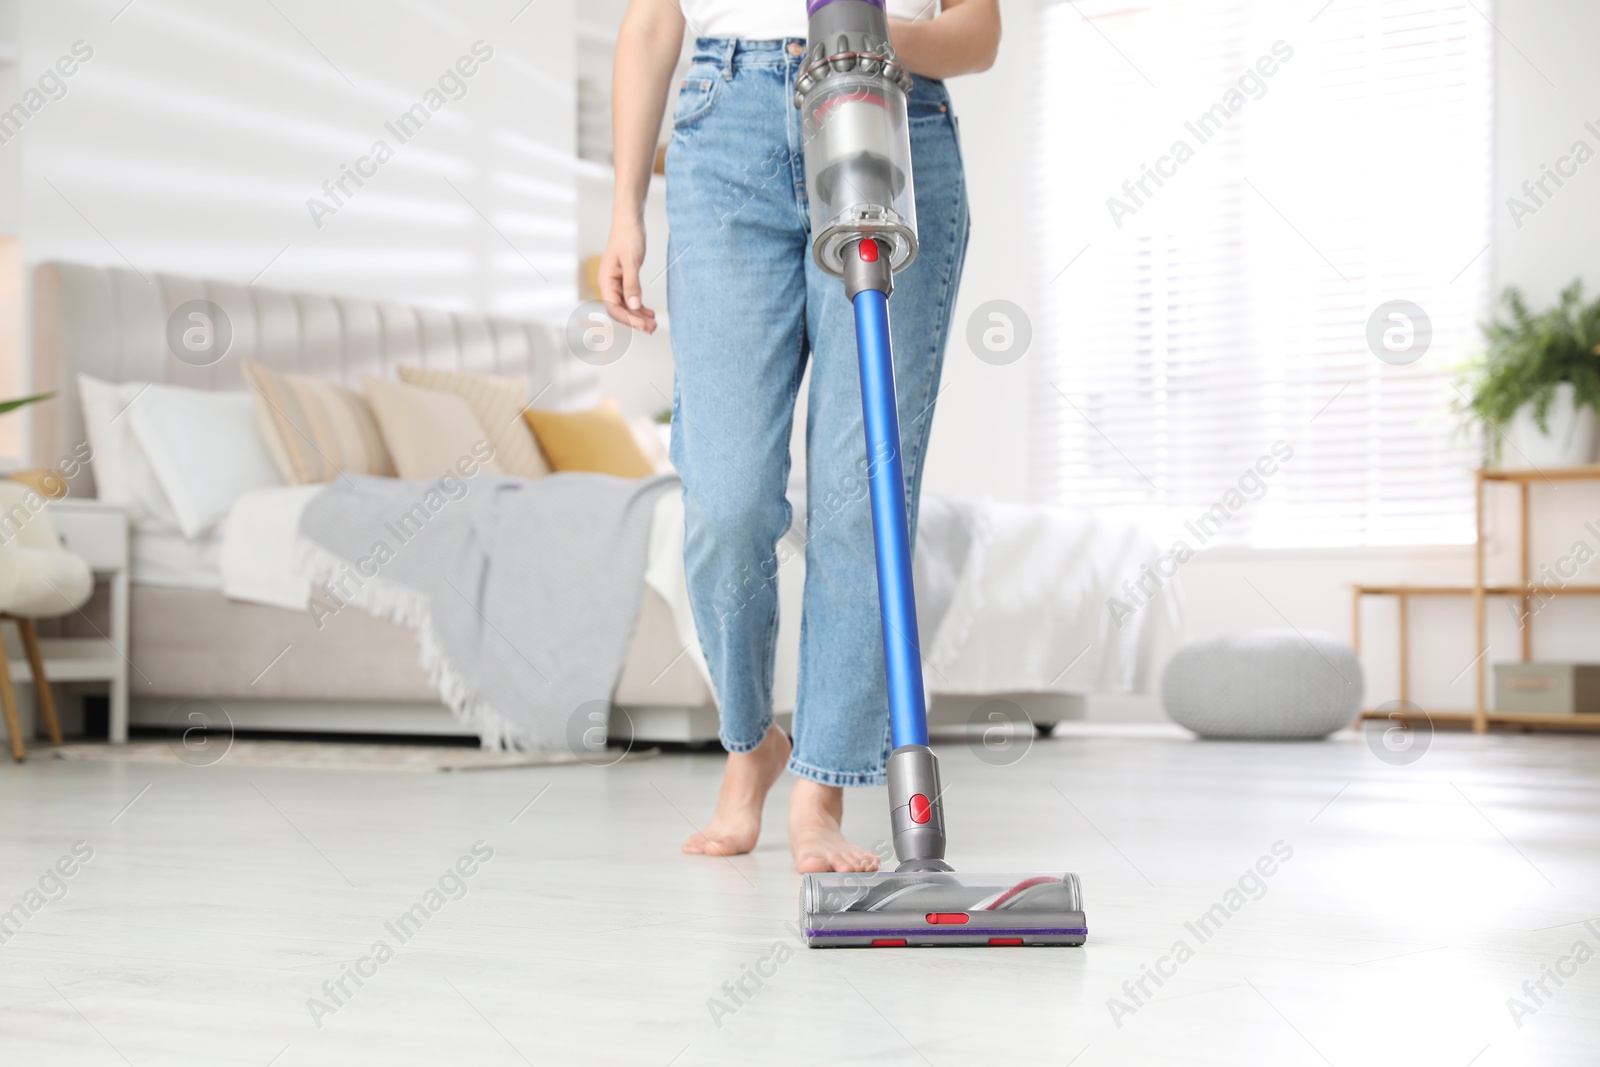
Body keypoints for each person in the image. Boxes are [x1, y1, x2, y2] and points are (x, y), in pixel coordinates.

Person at [600, 0, 998, 873]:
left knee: (862, 496)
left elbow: (979, 33)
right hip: (726, 127)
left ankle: (821, 794)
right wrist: (626, 206)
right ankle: (751, 746)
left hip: (893, 117)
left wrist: (867, 39)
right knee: (729, 496)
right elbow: (649, 23)